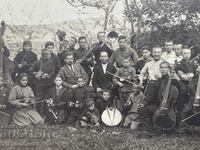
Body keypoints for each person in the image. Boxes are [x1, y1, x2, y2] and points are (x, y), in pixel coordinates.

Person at [138, 61, 179, 135]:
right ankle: (149, 130)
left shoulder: (173, 81)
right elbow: (151, 95)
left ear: (169, 69)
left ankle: (164, 128)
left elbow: (180, 88)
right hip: (158, 106)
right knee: (142, 110)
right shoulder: (158, 81)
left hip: (168, 108)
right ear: (159, 69)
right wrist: (144, 103)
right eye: (161, 67)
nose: (163, 69)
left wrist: (176, 78)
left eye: (165, 67)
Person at [29, 49, 55, 115]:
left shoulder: (51, 62)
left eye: (50, 54)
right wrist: (36, 73)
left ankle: (46, 113)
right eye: (48, 54)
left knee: (47, 99)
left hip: (48, 84)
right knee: (39, 99)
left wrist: (47, 75)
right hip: (39, 84)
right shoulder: (37, 62)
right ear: (45, 55)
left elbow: (53, 72)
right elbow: (30, 71)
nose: (50, 55)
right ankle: (38, 114)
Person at [175, 48, 196, 122]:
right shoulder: (178, 64)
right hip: (182, 85)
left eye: (188, 53)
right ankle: (180, 121)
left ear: (190, 54)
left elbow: (194, 75)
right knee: (181, 102)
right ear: (182, 54)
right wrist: (188, 75)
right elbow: (182, 76)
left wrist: (192, 75)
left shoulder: (193, 64)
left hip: (191, 86)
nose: (186, 55)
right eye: (184, 53)